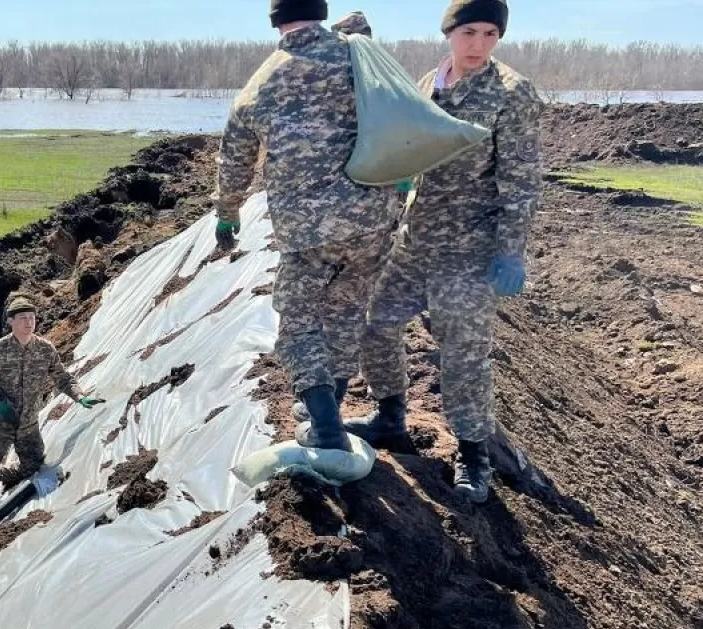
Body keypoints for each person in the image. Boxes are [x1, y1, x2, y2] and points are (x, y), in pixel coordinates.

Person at [349, 0, 543, 503]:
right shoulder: (425, 83)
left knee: (463, 351)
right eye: (469, 32)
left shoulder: (511, 93)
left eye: (490, 35)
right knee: (376, 321)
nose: (478, 45)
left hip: (470, 247)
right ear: (449, 33)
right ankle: (391, 415)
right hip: (416, 238)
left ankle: (473, 453)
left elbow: (520, 182)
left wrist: (510, 251)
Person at [214, 0, 399, 452]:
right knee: (346, 312)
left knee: (297, 329)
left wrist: (227, 214)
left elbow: (235, 162)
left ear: (276, 21)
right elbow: (397, 104)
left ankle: (326, 429)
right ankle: (331, 404)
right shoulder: (355, 55)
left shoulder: (259, 86)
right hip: (372, 219)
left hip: (308, 233)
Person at [0, 294, 103, 517]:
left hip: (28, 424)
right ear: (11, 321)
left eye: (32, 318)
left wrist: (79, 395)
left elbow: (62, 377)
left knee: (33, 464)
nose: (28, 322)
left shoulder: (45, 349)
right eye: (22, 318)